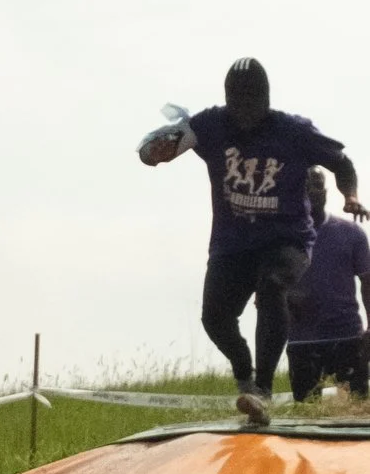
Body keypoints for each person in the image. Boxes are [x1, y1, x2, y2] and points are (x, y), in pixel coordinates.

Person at [139, 58, 360, 425]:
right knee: (214, 317)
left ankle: (263, 389)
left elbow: (342, 163)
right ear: (227, 101)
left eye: (251, 108)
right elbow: (160, 146)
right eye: (236, 107)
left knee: (272, 286)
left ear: (265, 101)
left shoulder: (293, 131)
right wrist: (153, 155)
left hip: (286, 238)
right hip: (233, 243)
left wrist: (350, 195)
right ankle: (244, 373)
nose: (243, 117)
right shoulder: (210, 124)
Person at [286, 167, 370, 406]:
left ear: (326, 191)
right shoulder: (283, 236)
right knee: (306, 417)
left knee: (357, 410)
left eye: (318, 186)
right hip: (302, 341)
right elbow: (266, 284)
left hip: (347, 338)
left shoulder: (352, 233)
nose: (313, 193)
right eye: (306, 188)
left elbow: (368, 282)